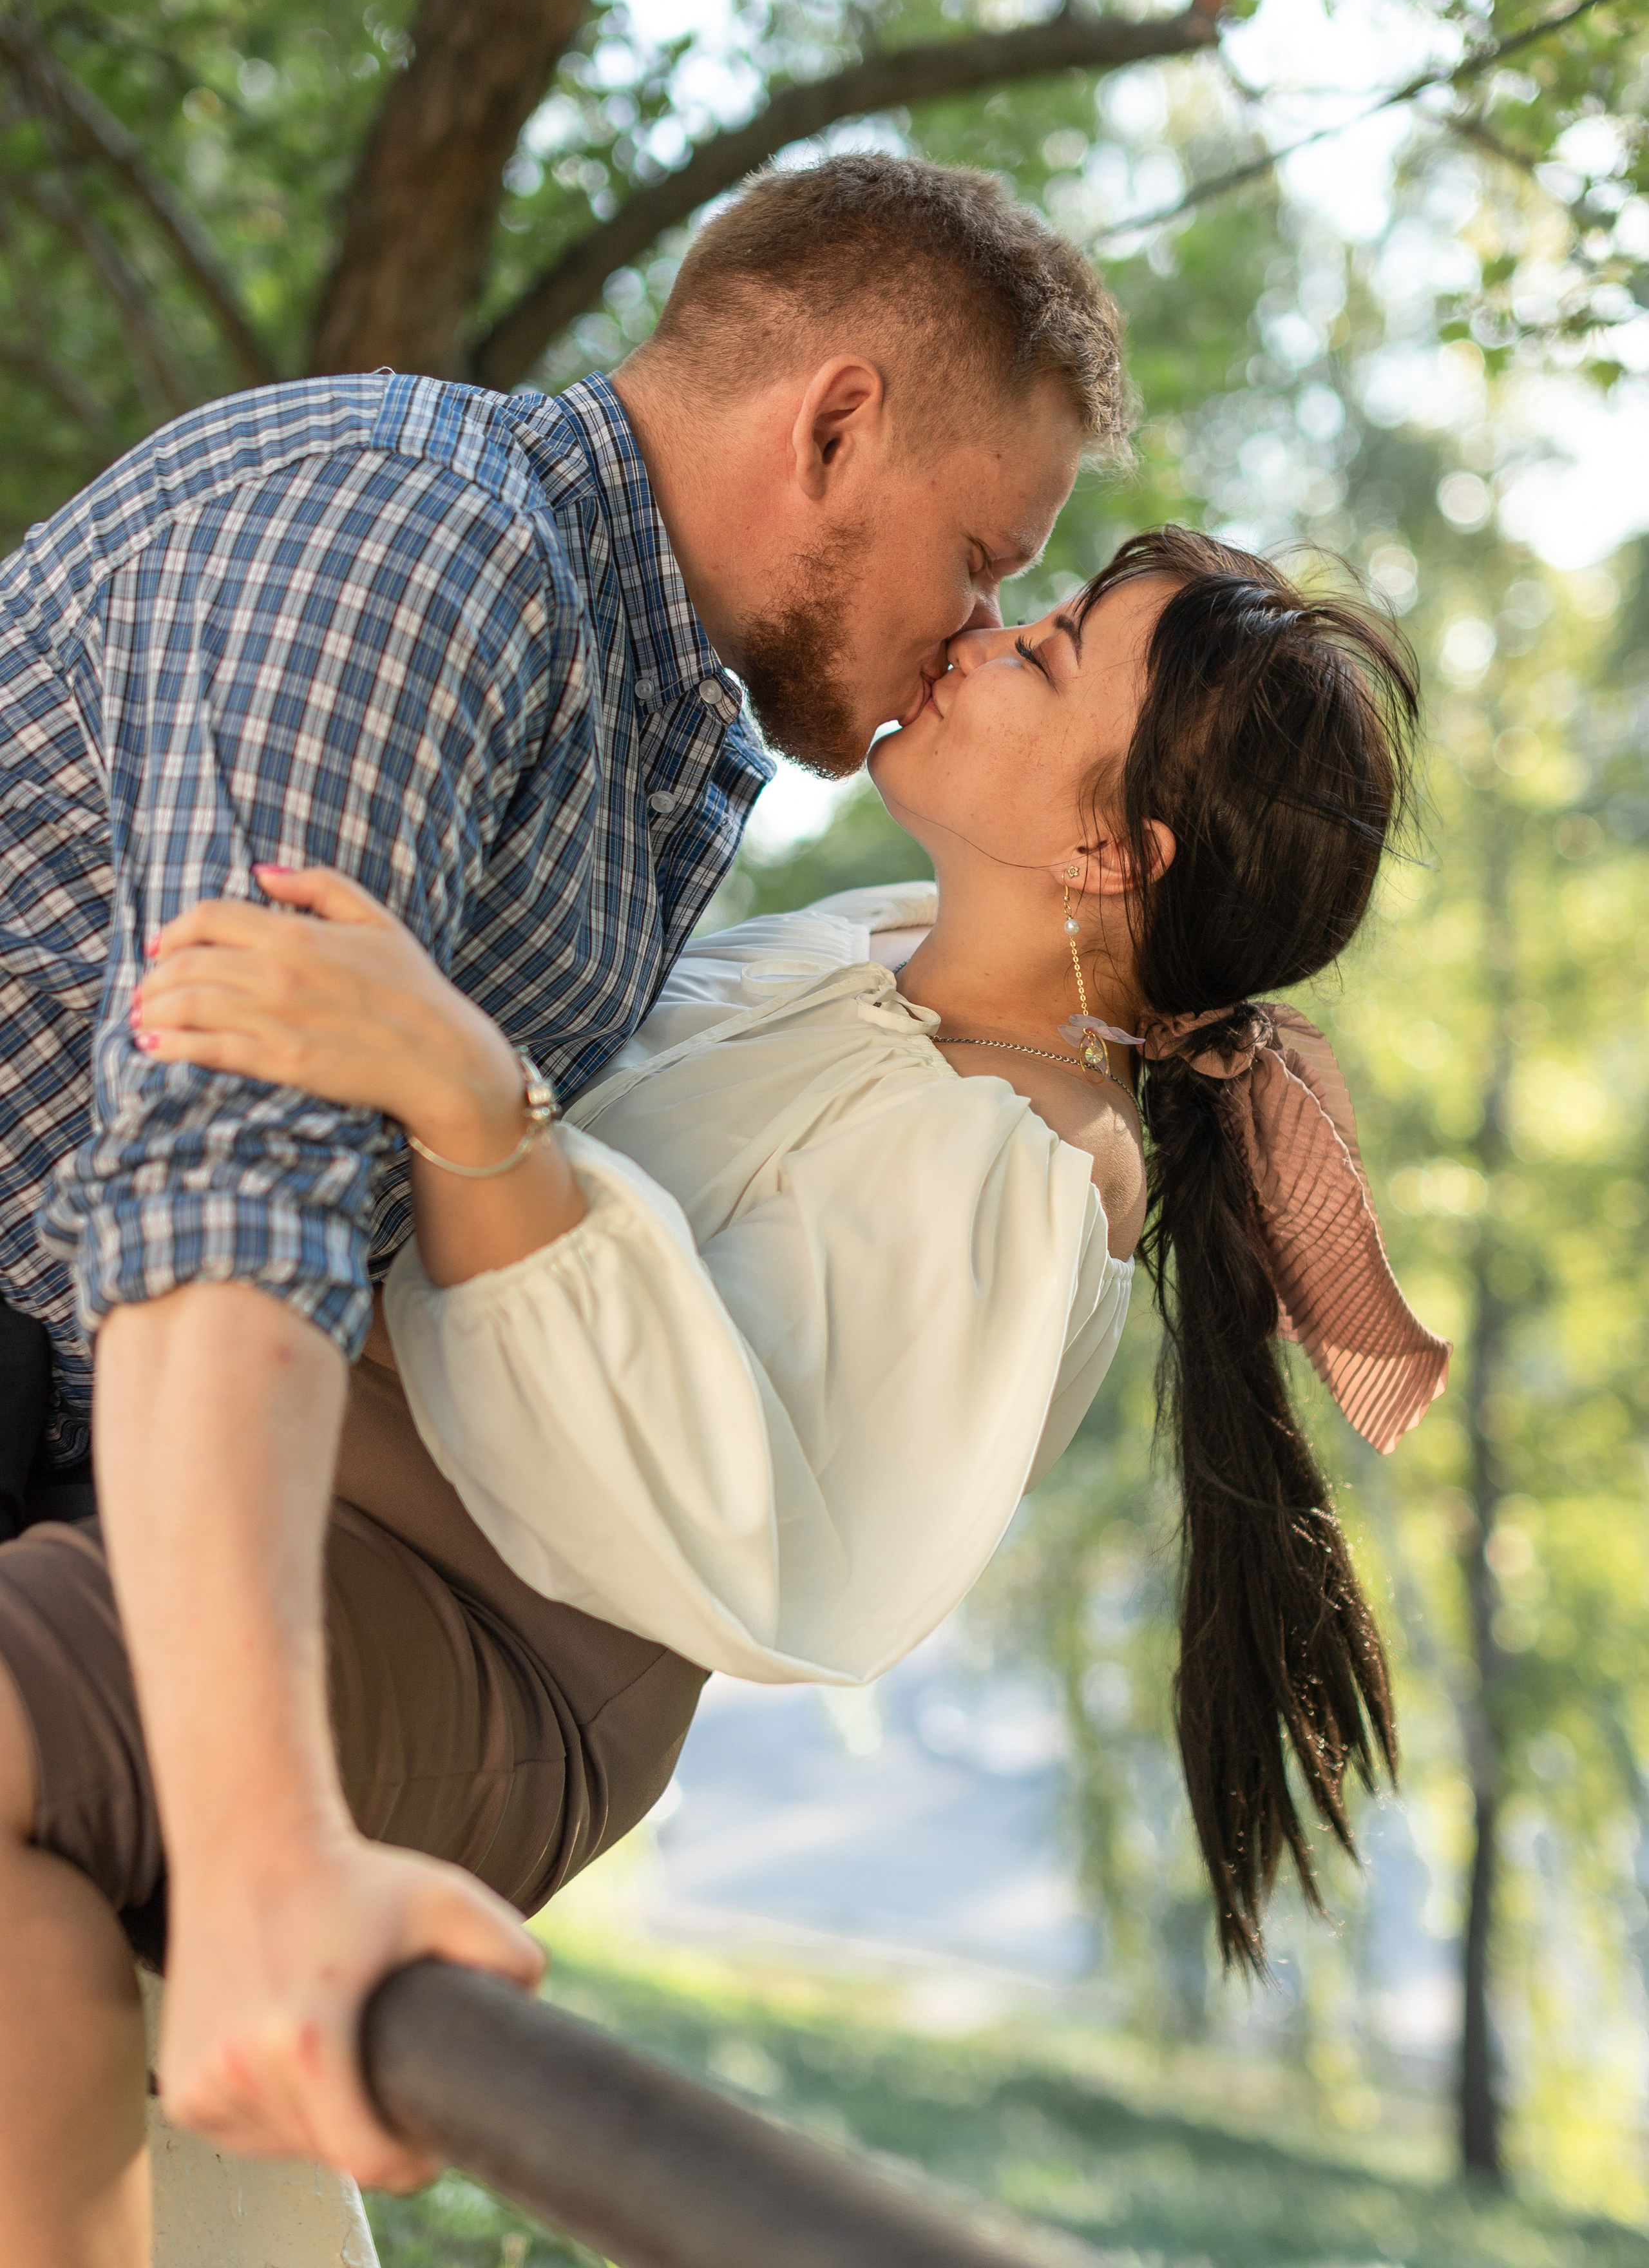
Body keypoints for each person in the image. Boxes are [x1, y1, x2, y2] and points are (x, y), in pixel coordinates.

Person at [0, 152, 1125, 2260]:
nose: (973, 631)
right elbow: (225, 1209)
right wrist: (261, 1856)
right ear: (835, 426)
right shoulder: (413, 550)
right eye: (982, 559)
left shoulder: (671, 727)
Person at [137, 524, 1448, 1974]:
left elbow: (723, 1491)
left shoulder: (1035, 1164)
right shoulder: (860, 952)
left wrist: (468, 1100)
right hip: (298, 1469)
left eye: (1048, 652)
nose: (985, 636)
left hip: (479, 1633)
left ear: (1111, 852)